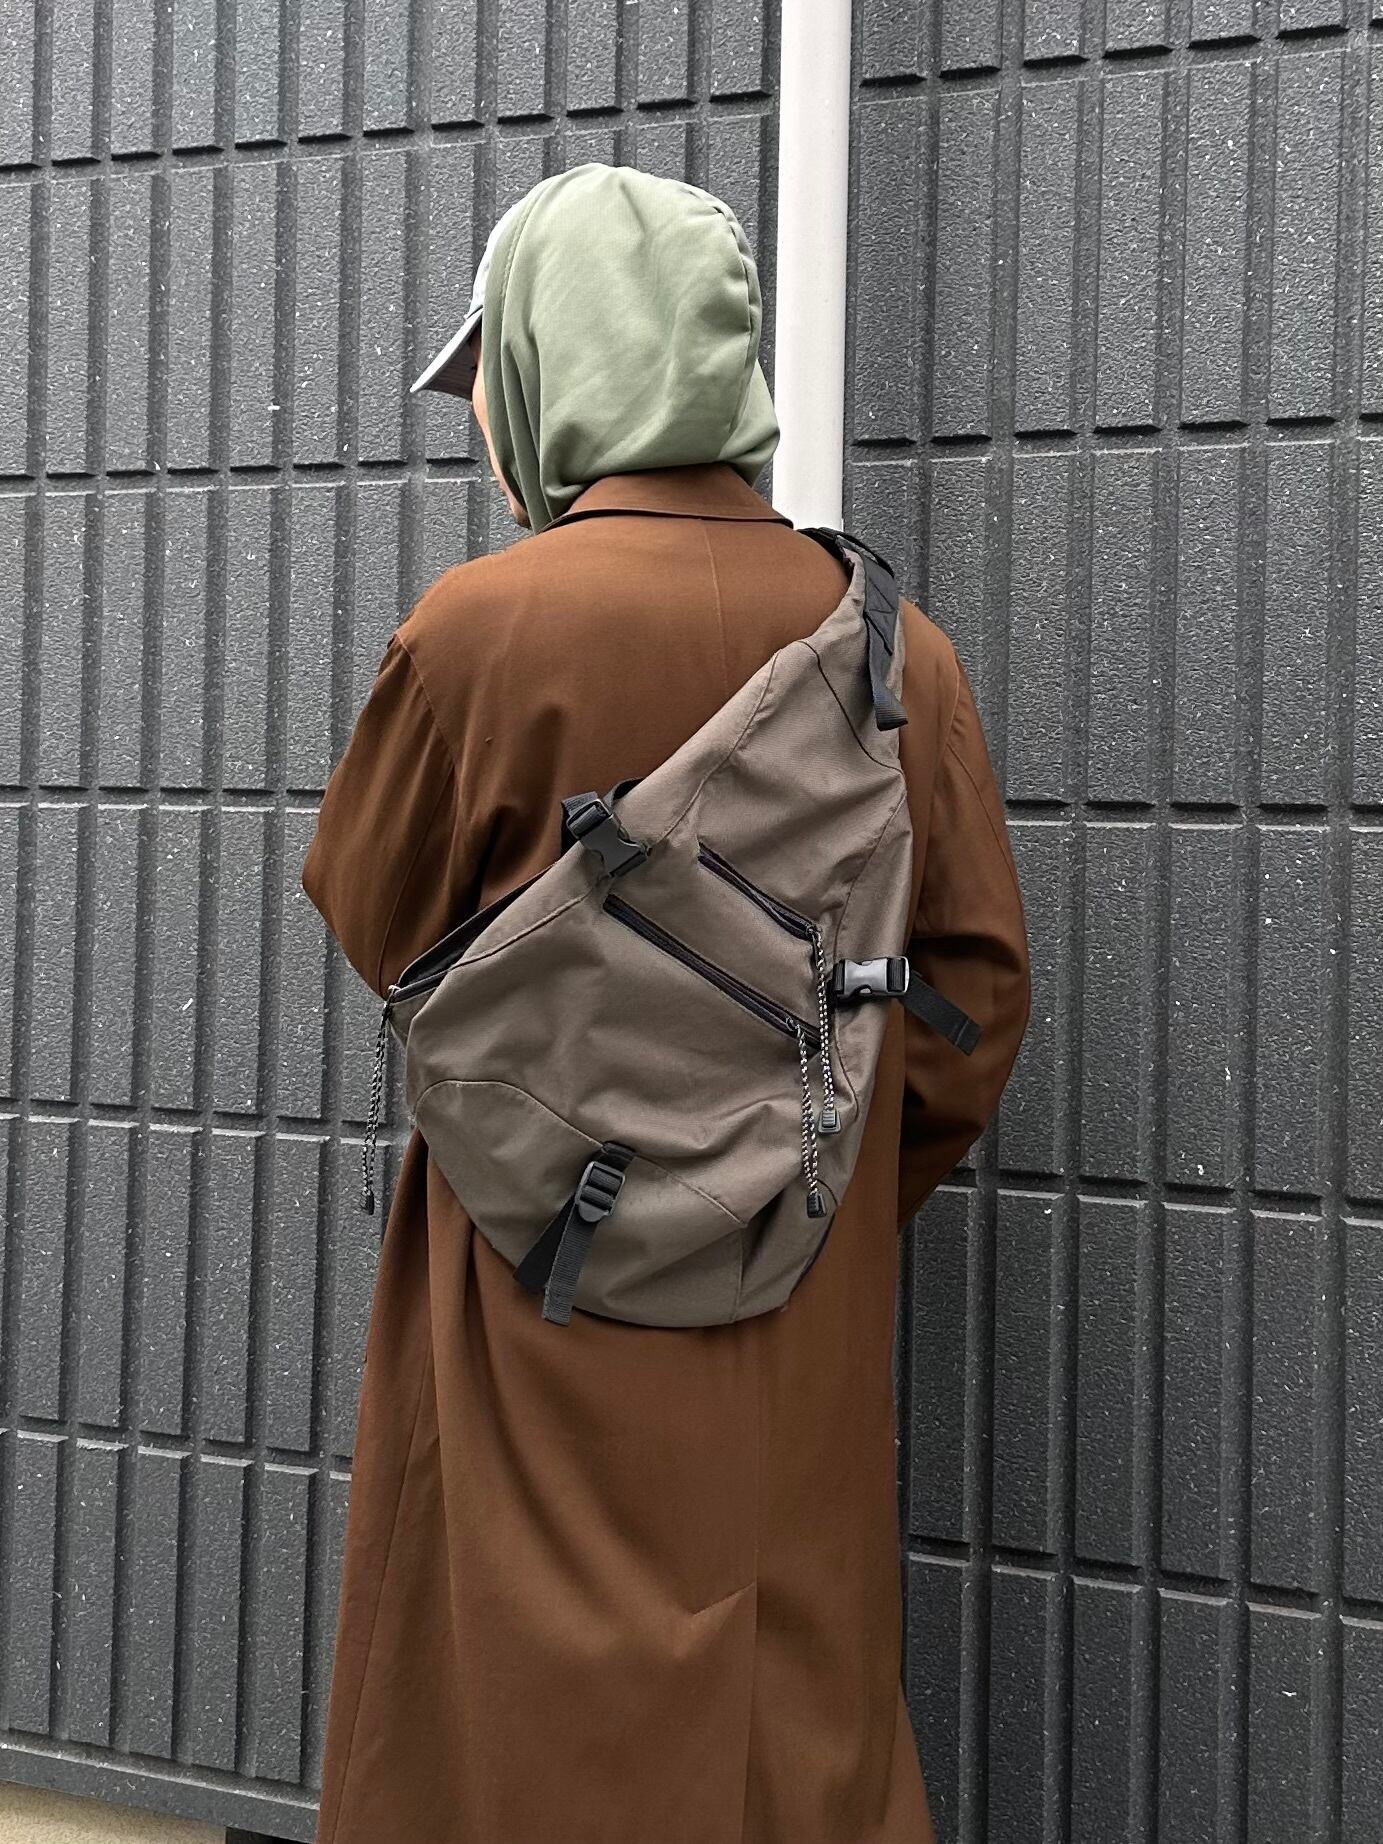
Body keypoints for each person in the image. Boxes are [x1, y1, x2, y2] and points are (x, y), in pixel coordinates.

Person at [301, 162, 1030, 1844]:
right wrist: (794, 1168)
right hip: (794, 1309)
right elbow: (973, 996)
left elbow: (379, 922)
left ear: (556, 365)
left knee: (502, 1732)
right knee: (789, 1729)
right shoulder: (894, 655)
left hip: (529, 1288)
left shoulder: (475, 636)